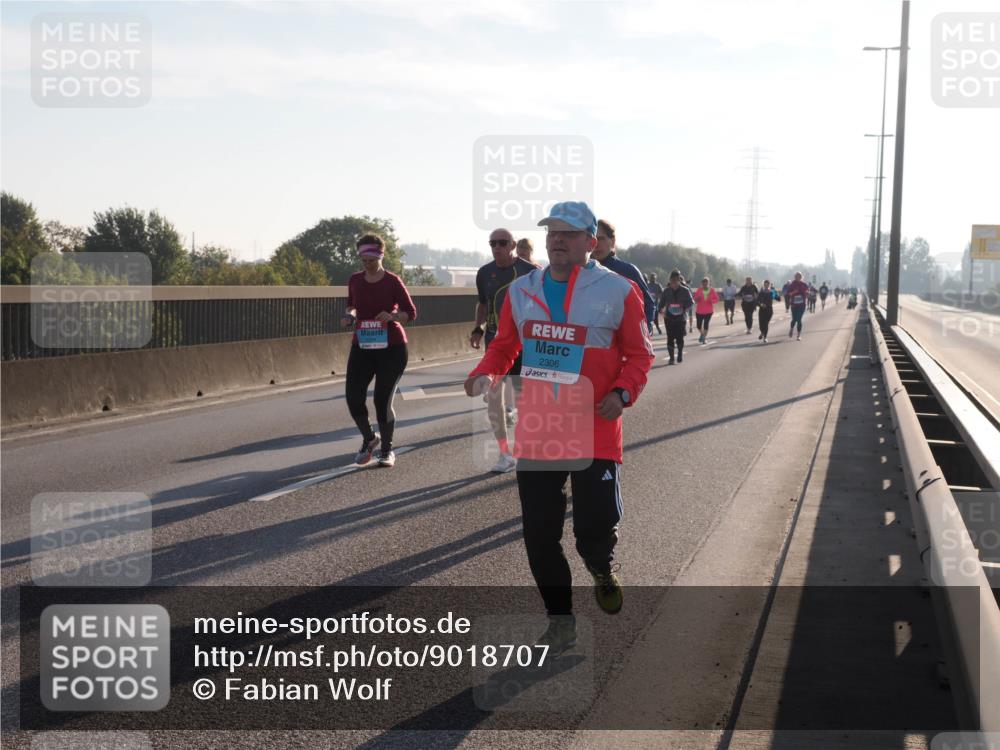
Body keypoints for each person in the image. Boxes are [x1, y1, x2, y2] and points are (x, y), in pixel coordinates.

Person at [464, 201, 654, 653]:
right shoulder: (520, 291)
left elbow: (641, 355)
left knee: (594, 527)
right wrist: (486, 373)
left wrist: (622, 393)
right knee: (539, 533)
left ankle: (601, 566)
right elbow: (506, 346)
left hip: (595, 424)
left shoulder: (619, 291)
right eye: (552, 231)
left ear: (591, 242)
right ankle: (560, 619)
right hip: (541, 425)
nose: (558, 239)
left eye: (569, 233)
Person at [342, 234, 417, 467]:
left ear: (380, 256)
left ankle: (387, 450)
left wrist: (392, 316)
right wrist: (349, 316)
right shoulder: (355, 280)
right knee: (353, 398)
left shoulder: (392, 281)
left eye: (371, 260)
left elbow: (410, 313)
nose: (367, 264)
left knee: (382, 401)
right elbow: (352, 305)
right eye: (363, 260)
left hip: (392, 348)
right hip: (363, 346)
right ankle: (370, 439)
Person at [472, 228, 538, 473]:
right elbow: (482, 303)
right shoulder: (484, 273)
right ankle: (504, 454)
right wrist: (477, 328)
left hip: (525, 345)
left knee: (527, 400)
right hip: (496, 343)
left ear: (512, 245)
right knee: (493, 397)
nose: (496, 247)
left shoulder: (532, 272)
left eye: (502, 243)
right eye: (492, 243)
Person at [592, 219, 656, 333]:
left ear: (612, 241)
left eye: (601, 239)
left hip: (624, 338)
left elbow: (648, 304)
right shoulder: (580, 271)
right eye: (593, 239)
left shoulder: (628, 271)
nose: (596, 244)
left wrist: (645, 331)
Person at [658, 269, 694, 364]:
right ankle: (671, 358)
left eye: (676, 280)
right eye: (672, 280)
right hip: (669, 318)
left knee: (679, 338)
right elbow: (660, 305)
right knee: (670, 338)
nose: (674, 282)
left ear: (679, 280)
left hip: (680, 318)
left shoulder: (685, 290)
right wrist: (663, 313)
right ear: (669, 280)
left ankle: (680, 354)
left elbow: (691, 302)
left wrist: (685, 309)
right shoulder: (666, 291)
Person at [693, 277, 719, 344]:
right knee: (698, 326)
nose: (705, 285)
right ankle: (702, 334)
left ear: (708, 283)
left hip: (708, 311)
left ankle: (704, 338)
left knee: (706, 324)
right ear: (702, 283)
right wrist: (697, 298)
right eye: (703, 283)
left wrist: (711, 301)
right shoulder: (699, 290)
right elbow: (694, 299)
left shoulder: (712, 290)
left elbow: (716, 299)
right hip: (699, 311)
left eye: (706, 283)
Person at [786, 271, 810, 340]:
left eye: (799, 276)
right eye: (796, 276)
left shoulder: (804, 284)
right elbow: (788, 294)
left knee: (799, 320)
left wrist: (807, 293)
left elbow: (808, 292)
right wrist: (794, 292)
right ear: (795, 277)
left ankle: (798, 335)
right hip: (794, 305)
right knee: (794, 320)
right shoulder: (792, 284)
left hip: (802, 305)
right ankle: (791, 329)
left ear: (801, 277)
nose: (798, 278)